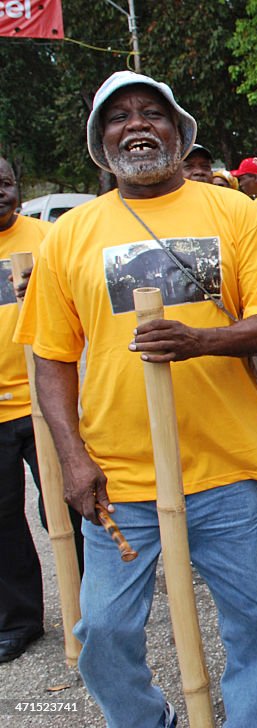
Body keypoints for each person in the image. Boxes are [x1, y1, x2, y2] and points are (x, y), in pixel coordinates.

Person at [15, 70, 257, 728]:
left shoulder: (232, 212)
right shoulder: (70, 234)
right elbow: (54, 359)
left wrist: (200, 340)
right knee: (105, 637)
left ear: (179, 132)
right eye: (119, 117)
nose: (137, 125)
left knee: (255, 623)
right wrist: (72, 460)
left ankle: (248, 721)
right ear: (100, 141)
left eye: (153, 113)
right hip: (121, 477)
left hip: (230, 465)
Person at [0, 157, 84, 665]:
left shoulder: (49, 239)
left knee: (66, 506)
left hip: (44, 404)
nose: (0, 193)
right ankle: (19, 620)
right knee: (2, 517)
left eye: (6, 183)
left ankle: (86, 607)